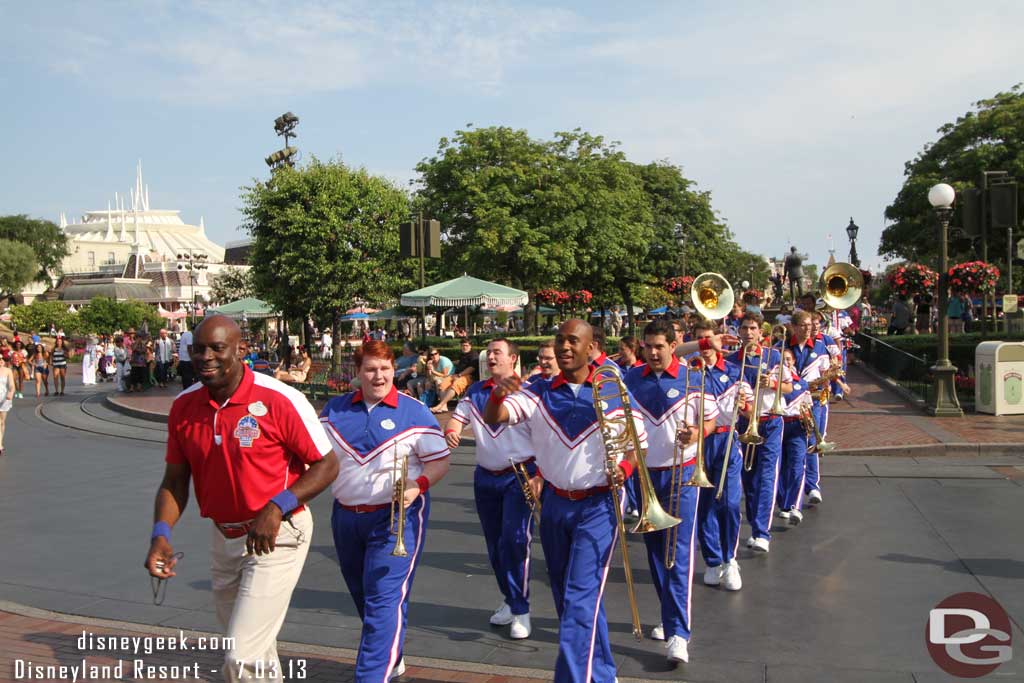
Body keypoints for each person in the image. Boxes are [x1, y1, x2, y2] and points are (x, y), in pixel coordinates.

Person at [144, 315, 338, 683]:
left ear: (241, 350)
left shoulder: (280, 399)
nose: (206, 356)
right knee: (256, 652)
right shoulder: (184, 407)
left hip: (278, 535)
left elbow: (327, 465)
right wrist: (160, 533)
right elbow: (174, 480)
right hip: (225, 537)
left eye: (217, 348)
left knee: (240, 654)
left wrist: (277, 506)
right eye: (198, 348)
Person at [483, 319, 643, 682]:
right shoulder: (537, 390)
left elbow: (637, 446)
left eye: (573, 341)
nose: (565, 347)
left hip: (599, 507)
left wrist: (625, 469)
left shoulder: (612, 389)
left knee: (580, 597)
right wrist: (497, 394)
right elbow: (497, 418)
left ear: (592, 347)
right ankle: (602, 673)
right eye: (560, 340)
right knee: (567, 597)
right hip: (554, 504)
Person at [319, 341, 450, 681]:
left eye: (385, 369)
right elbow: (313, 457)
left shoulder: (415, 411)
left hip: (395, 519)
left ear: (395, 369)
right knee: (365, 595)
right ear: (358, 373)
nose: (379, 376)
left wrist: (417, 486)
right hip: (346, 516)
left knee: (382, 598)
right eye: (370, 369)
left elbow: (439, 462)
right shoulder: (334, 411)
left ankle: (371, 676)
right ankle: (393, 653)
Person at [624, 320, 717, 665]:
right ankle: (668, 615)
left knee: (677, 554)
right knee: (654, 554)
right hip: (645, 476)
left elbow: (710, 421)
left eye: (659, 346)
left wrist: (697, 434)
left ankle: (679, 633)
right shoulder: (631, 378)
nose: (653, 352)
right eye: (648, 346)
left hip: (683, 473)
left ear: (674, 344)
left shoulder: (693, 376)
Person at [445, 338, 535, 639]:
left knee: (515, 539)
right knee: (495, 545)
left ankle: (522, 610)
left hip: (518, 476)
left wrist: (542, 477)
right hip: (485, 477)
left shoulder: (527, 393)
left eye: (497, 352)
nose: (490, 357)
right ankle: (510, 599)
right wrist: (452, 431)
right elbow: (458, 420)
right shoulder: (475, 392)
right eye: (489, 353)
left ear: (513, 359)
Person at [726, 313, 791, 553]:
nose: (748, 332)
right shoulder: (732, 360)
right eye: (744, 328)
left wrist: (772, 384)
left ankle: (762, 532)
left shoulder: (774, 356)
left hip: (770, 421)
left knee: (766, 476)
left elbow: (789, 386)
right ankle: (755, 523)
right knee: (749, 479)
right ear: (739, 331)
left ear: (760, 332)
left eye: (753, 328)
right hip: (744, 423)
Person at [690, 319, 745, 591]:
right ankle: (713, 561)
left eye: (710, 338)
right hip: (699, 443)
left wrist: (745, 404)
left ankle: (729, 559)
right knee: (705, 505)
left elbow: (746, 410)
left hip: (726, 439)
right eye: (701, 339)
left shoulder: (734, 370)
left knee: (731, 503)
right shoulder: (688, 371)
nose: (707, 345)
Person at [779, 310, 831, 517]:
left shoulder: (820, 347)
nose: (809, 328)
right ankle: (785, 496)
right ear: (794, 327)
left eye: (810, 325)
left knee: (811, 442)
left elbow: (826, 374)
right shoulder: (781, 348)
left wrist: (826, 382)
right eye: (804, 325)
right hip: (787, 403)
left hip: (813, 402)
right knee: (786, 453)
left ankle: (812, 484)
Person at [776, 348, 814, 523]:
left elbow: (808, 407)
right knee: (780, 467)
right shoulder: (774, 382)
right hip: (778, 425)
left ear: (794, 362)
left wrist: (808, 420)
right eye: (783, 359)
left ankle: (795, 506)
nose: (787, 362)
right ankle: (783, 503)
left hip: (796, 427)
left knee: (797, 465)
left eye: (789, 359)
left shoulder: (802, 383)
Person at [431, 337, 479, 413]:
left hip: (469, 376)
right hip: (457, 374)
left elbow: (471, 368)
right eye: (463, 345)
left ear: (470, 346)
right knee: (443, 384)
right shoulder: (463, 354)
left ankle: (440, 405)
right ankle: (444, 407)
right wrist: (450, 363)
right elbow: (460, 362)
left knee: (456, 384)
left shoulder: (474, 355)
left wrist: (459, 375)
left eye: (466, 345)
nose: (464, 347)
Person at [0, 354, 13, 456]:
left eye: (2, 359)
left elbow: (12, 385)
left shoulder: (8, 371)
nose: (1, 361)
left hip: (4, 398)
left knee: (2, 422)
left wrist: (11, 392)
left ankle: (0, 442)